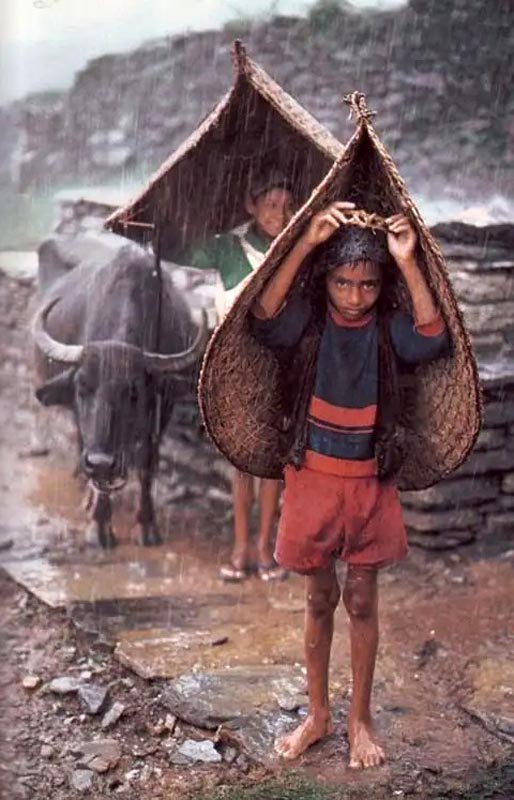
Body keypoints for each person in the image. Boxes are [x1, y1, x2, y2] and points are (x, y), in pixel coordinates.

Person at [251, 201, 449, 767]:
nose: (355, 296)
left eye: (367, 284)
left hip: (369, 478)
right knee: (319, 597)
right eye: (343, 282)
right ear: (327, 280)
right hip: (313, 474)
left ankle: (360, 720)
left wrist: (406, 260)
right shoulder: (310, 325)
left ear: (379, 285)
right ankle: (318, 714)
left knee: (362, 597)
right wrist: (307, 241)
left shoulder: (388, 331)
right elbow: (264, 317)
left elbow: (432, 337)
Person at [190, 168, 296, 582]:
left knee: (271, 461)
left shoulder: (295, 248)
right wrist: (148, 230)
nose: (280, 215)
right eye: (271, 206)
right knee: (241, 461)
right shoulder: (228, 248)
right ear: (251, 206)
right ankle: (240, 546)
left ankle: (267, 548)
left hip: (278, 366)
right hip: (233, 367)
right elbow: (183, 251)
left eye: (288, 207)